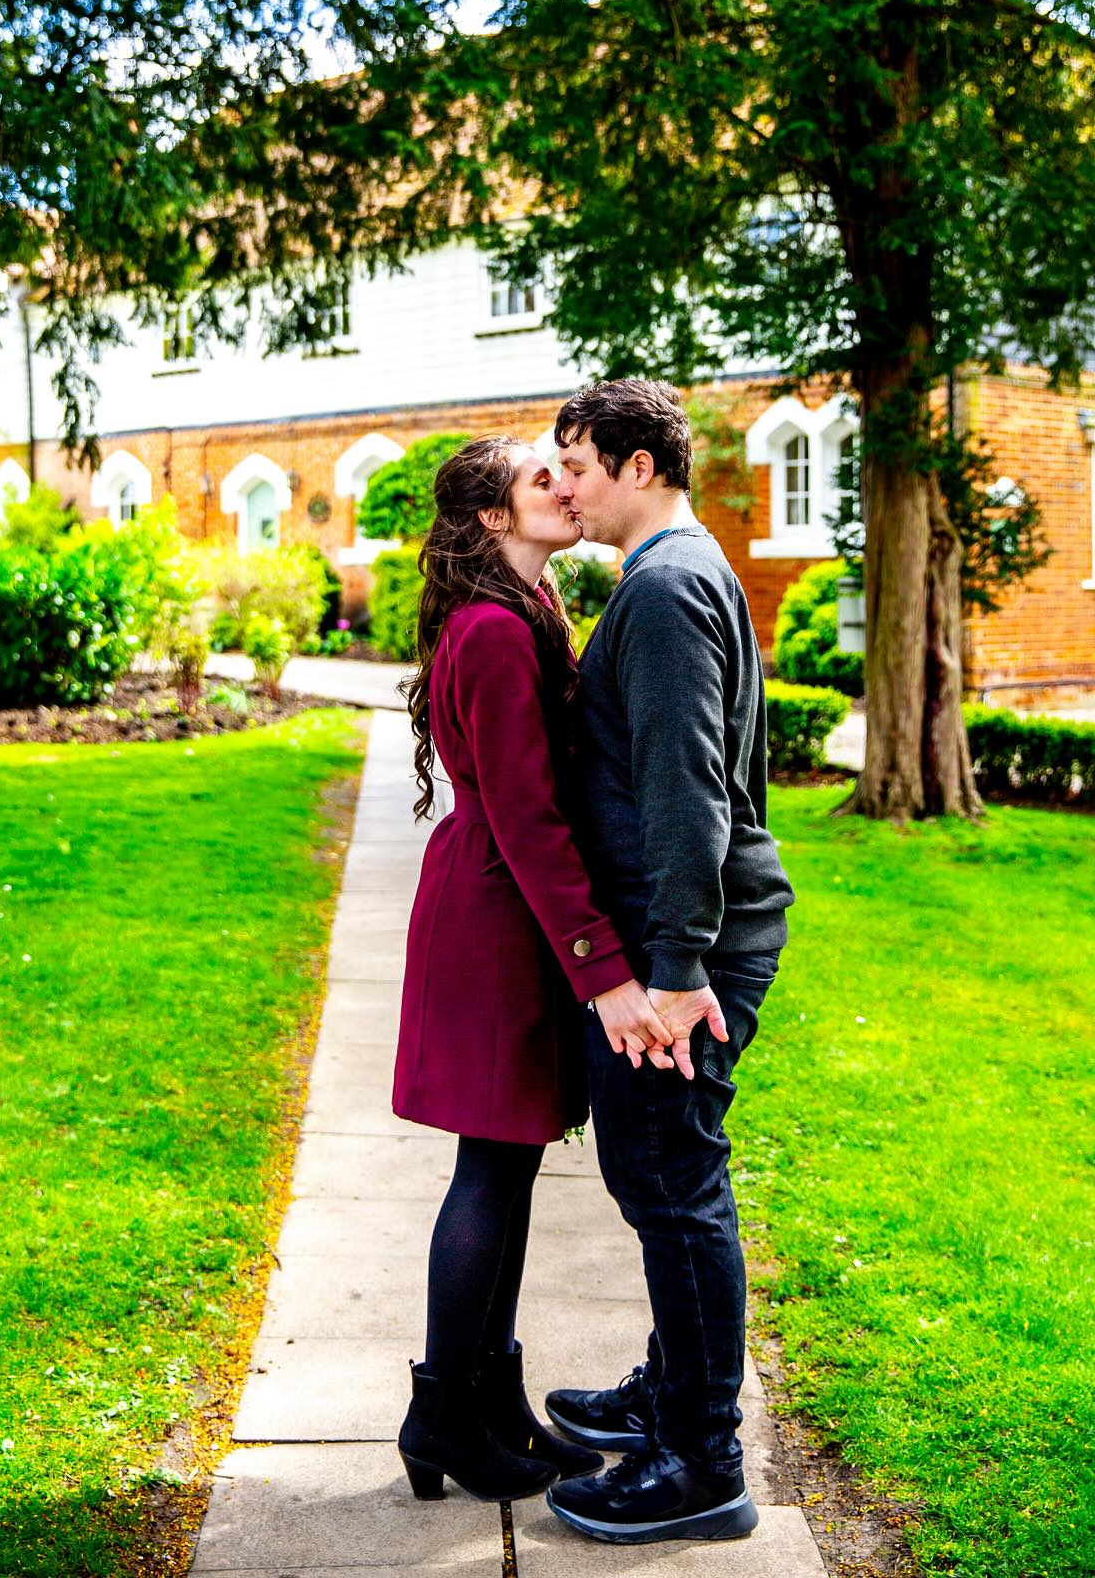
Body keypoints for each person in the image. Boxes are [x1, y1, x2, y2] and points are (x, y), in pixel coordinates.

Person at [391, 434, 677, 1505]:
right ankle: (438, 1415)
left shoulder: (523, 612)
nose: (566, 487)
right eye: (540, 480)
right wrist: (600, 964)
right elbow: (528, 819)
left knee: (504, 1167)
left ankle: (488, 1398)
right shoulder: (496, 634)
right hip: (502, 918)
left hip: (505, 910)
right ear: (493, 521)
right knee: (490, 1168)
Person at [542, 377, 797, 1546]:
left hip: (675, 948)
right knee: (663, 1184)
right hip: (670, 935)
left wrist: (678, 966)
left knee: (671, 1187)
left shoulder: (666, 586)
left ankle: (702, 1461)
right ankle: (670, 1397)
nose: (569, 487)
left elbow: (689, 789)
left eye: (581, 464)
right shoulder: (678, 573)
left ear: (640, 464)